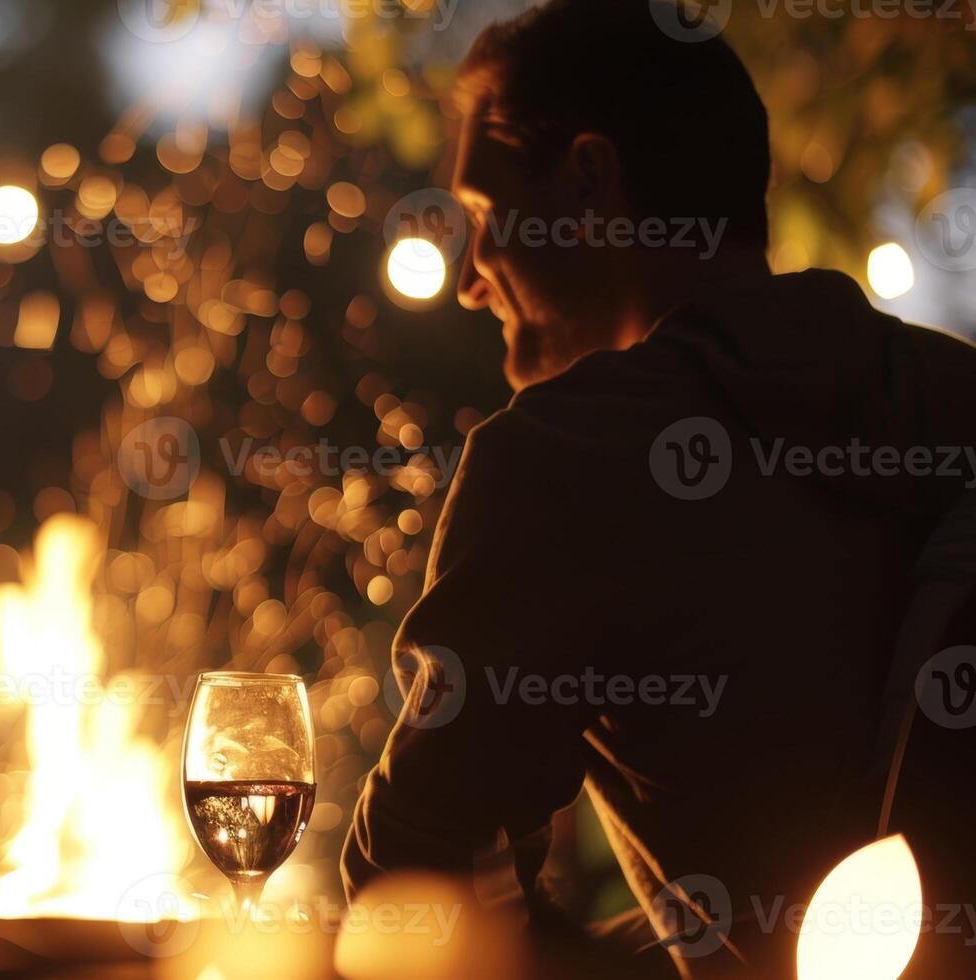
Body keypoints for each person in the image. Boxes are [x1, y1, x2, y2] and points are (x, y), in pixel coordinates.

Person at [342, 2, 976, 976]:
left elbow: (411, 887)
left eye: (481, 213)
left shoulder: (563, 453)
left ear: (590, 180)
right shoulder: (950, 393)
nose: (471, 279)